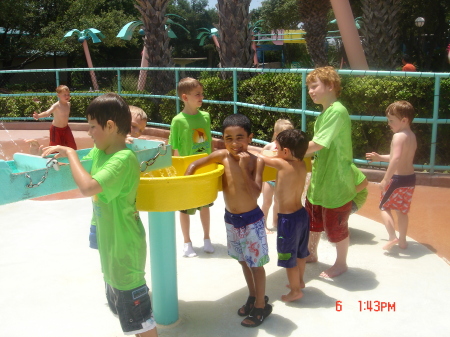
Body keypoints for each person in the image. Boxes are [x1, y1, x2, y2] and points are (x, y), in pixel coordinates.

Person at [41, 93, 158, 337]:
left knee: (142, 324)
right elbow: (84, 164)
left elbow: (88, 187)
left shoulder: (123, 158)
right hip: (112, 252)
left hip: (125, 251)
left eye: (93, 127)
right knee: (131, 320)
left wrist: (70, 152)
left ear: (111, 126)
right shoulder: (101, 152)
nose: (89, 133)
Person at [185, 114, 271, 327]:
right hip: (231, 220)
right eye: (228, 138)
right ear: (223, 139)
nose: (234, 143)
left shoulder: (255, 161)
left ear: (250, 138)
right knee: (243, 261)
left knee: (256, 265)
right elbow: (195, 164)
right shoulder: (221, 156)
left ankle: (261, 305)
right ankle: (252, 296)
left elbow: (255, 194)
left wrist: (243, 168)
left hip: (252, 221)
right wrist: (187, 185)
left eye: (240, 137)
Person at [304, 66, 356, 279]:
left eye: (314, 86)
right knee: (313, 219)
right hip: (321, 179)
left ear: (331, 85)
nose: (310, 91)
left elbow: (317, 144)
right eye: (308, 87)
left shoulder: (336, 111)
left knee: (336, 226)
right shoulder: (324, 113)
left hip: (336, 181)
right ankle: (311, 252)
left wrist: (288, 152)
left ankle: (341, 263)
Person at [257, 129, 310, 302]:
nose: (275, 151)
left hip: (288, 220)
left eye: (277, 148)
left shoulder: (282, 164)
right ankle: (300, 282)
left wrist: (246, 149)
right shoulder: (302, 163)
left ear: (285, 152)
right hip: (302, 215)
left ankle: (295, 291)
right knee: (301, 253)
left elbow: (260, 158)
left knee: (288, 257)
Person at [168, 77, 214, 257]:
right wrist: (175, 172)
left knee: (205, 205)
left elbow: (208, 143)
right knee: (185, 207)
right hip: (187, 171)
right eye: (197, 94)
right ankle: (187, 242)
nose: (201, 97)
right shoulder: (178, 120)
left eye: (202, 93)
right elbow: (173, 146)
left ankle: (207, 238)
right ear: (185, 97)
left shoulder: (206, 117)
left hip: (205, 169)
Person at [366, 100, 417, 250]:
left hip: (397, 179)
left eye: (391, 120)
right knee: (402, 210)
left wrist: (385, 179)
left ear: (404, 120)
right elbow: (399, 155)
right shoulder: (411, 136)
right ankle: (402, 241)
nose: (389, 124)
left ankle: (392, 237)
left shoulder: (398, 137)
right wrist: (380, 157)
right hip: (410, 179)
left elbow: (396, 158)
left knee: (384, 207)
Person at [260, 119, 294, 233]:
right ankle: (263, 224)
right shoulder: (270, 146)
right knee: (267, 202)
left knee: (278, 202)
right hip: (269, 180)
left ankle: (275, 222)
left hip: (282, 180)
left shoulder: (289, 149)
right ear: (276, 134)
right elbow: (261, 156)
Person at [32, 85, 77, 150]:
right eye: (64, 95)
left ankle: (72, 157)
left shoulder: (68, 104)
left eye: (68, 94)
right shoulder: (56, 106)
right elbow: (47, 113)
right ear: (58, 95)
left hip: (66, 128)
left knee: (72, 146)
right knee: (54, 148)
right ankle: (52, 158)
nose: (67, 96)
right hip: (56, 130)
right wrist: (38, 116)